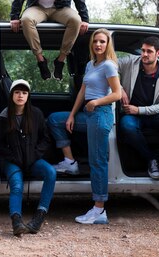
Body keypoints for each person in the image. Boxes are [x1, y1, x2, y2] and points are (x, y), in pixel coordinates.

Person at [47, 29, 121, 224]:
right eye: (96, 41)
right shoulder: (91, 64)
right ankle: (70, 162)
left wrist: (96, 103)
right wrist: (71, 115)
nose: (98, 45)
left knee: (97, 162)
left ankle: (99, 210)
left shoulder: (109, 66)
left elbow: (117, 94)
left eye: (102, 42)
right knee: (56, 119)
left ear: (108, 44)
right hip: (87, 114)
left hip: (101, 114)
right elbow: (83, 90)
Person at [118, 36, 159, 188]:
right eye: (143, 50)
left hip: (154, 114)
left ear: (158, 54)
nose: (144, 54)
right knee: (126, 125)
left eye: (149, 52)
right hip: (132, 116)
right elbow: (108, 65)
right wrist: (119, 88)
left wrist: (139, 110)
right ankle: (151, 159)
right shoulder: (130, 62)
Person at [0, 79, 57, 236]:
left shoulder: (36, 113)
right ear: (11, 95)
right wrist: (13, 158)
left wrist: (35, 154)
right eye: (17, 92)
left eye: (24, 93)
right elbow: (0, 144)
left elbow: (46, 139)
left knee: (51, 172)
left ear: (28, 96)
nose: (20, 96)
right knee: (17, 186)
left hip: (33, 160)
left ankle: (39, 217)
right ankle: (16, 222)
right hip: (13, 161)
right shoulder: (4, 117)